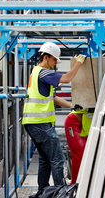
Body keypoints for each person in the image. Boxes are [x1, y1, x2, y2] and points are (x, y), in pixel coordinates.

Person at [22, 41, 86, 198]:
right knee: (57, 158)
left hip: (34, 124)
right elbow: (66, 79)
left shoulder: (35, 72)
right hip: (40, 124)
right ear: (46, 57)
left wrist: (72, 105)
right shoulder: (43, 72)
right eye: (55, 59)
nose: (56, 62)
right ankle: (62, 194)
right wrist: (78, 63)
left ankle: (42, 192)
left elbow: (53, 98)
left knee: (45, 160)